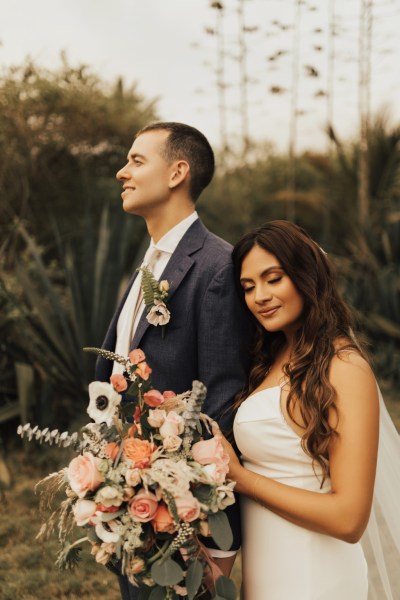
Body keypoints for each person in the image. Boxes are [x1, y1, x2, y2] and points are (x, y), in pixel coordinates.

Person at [94, 122, 253, 599]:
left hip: (182, 514)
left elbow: (222, 400)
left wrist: (208, 527)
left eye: (137, 160)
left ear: (177, 172)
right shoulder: (150, 263)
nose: (122, 173)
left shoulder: (217, 267)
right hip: (130, 492)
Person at [212, 220, 400, 599]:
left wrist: (242, 478)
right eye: (248, 287)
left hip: (316, 576)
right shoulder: (271, 359)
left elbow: (349, 519)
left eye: (273, 278)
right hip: (266, 571)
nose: (259, 296)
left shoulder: (344, 367)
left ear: (305, 276)